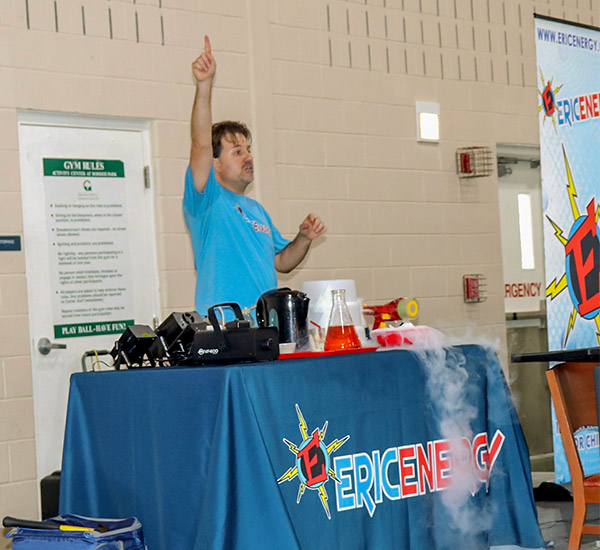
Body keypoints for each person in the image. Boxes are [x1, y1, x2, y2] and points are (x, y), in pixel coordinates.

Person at [183, 35, 326, 316]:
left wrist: (304, 237)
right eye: (237, 151)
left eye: (248, 150)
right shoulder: (206, 200)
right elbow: (200, 144)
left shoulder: (256, 210)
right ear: (215, 164)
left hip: (266, 329)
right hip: (225, 329)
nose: (248, 157)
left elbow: (282, 262)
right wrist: (204, 85)